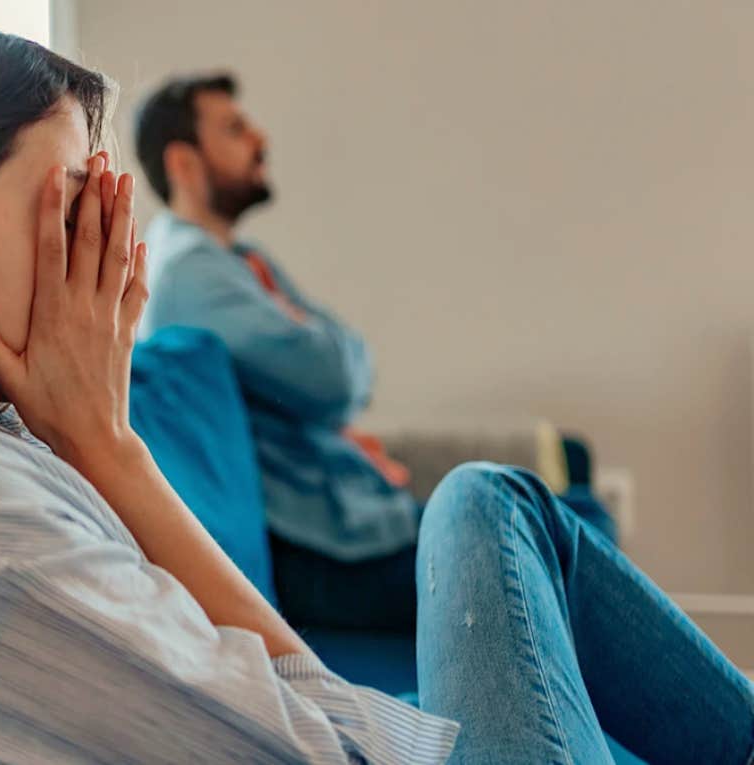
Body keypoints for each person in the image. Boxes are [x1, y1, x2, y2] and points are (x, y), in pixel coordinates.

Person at [0, 13, 753, 764]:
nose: (103, 259)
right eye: (72, 209)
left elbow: (340, 366)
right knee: (488, 502)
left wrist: (101, 447)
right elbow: (331, 740)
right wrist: (109, 449)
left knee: (503, 510)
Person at [133, 73, 613, 632]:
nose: (259, 138)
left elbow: (351, 362)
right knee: (578, 530)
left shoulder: (239, 260)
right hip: (326, 553)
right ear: (184, 164)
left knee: (575, 511)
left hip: (351, 523)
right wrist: (325, 368)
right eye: (235, 129)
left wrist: (328, 371)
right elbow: (336, 377)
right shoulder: (190, 274)